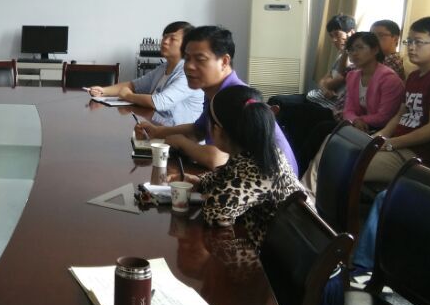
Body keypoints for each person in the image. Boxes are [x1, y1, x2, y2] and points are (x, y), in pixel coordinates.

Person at [136, 26, 299, 174]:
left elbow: (216, 159)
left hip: (271, 190)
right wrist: (158, 132)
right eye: (187, 58)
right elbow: (198, 130)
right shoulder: (217, 92)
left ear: (224, 62)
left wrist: (180, 142)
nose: (189, 66)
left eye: (200, 59)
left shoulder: (234, 99)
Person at [169, 85, 303, 248]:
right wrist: (199, 181)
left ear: (217, 131)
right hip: (272, 243)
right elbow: (228, 174)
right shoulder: (254, 152)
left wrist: (209, 196)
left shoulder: (258, 167)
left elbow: (216, 213)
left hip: (272, 256)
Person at [300, 33, 406, 189]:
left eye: (360, 48)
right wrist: (355, 120)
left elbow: (385, 116)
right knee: (318, 127)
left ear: (375, 50)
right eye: (350, 50)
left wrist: (359, 120)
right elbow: (348, 109)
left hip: (381, 129)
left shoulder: (389, 79)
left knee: (325, 131)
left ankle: (309, 184)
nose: (354, 53)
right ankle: (302, 176)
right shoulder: (353, 76)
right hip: (359, 125)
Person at [367, 17, 430, 184]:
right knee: (339, 145)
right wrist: (379, 137)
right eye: (409, 41)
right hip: (398, 146)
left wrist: (391, 143)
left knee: (352, 164)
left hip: (419, 156)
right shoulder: (414, 76)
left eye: (419, 42)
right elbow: (400, 114)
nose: (411, 47)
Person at [270, 14, 357, 161]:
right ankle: (274, 149)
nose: (334, 40)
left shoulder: (352, 58)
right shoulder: (340, 55)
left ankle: (285, 155)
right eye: (331, 36)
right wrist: (325, 86)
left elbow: (337, 79)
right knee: (275, 100)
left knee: (285, 111)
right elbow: (324, 79)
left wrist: (326, 84)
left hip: (326, 105)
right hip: (317, 96)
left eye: (337, 35)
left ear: (351, 33)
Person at [88, 21, 203, 126]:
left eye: (172, 39)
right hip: (160, 129)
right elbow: (133, 85)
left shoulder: (188, 73)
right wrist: (103, 91)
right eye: (164, 37)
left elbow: (159, 102)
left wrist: (128, 96)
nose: (165, 41)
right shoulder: (163, 68)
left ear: (187, 45)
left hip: (182, 136)